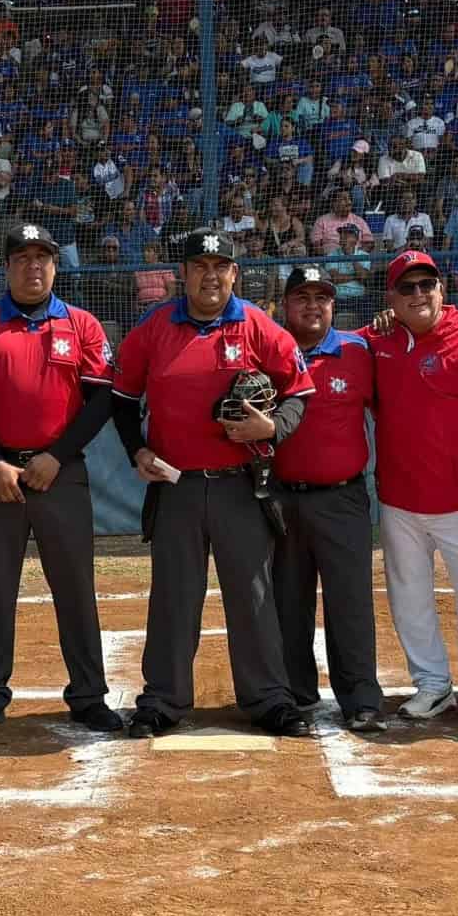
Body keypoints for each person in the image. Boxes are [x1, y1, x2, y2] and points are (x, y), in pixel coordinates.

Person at [110, 228, 315, 739]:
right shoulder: (156, 326)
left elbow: (299, 390)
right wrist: (136, 449)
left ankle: (269, 698)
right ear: (182, 273)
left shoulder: (256, 324)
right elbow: (121, 396)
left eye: (220, 266)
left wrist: (273, 428)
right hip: (175, 485)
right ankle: (163, 699)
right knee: (174, 596)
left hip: (240, 485)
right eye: (200, 266)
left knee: (253, 595)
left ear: (234, 273)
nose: (210, 276)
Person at [0, 225, 122, 735]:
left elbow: (102, 398)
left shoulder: (82, 325)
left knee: (75, 587)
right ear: (7, 268)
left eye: (42, 257)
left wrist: (57, 456)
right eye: (22, 258)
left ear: (56, 266)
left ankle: (88, 695)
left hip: (59, 474)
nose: (33, 266)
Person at [368, 249, 458, 733]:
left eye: (426, 285)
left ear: (442, 289)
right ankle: (432, 684)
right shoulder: (379, 341)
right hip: (399, 499)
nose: (418, 294)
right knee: (408, 594)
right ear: (392, 298)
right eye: (407, 287)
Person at [271, 267, 384, 732]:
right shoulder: (269, 351)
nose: (313, 306)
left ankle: (361, 698)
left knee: (350, 602)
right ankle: (294, 692)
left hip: (342, 498)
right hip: (281, 498)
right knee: (286, 600)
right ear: (284, 304)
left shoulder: (359, 350)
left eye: (322, 297)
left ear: (334, 305)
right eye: (302, 297)